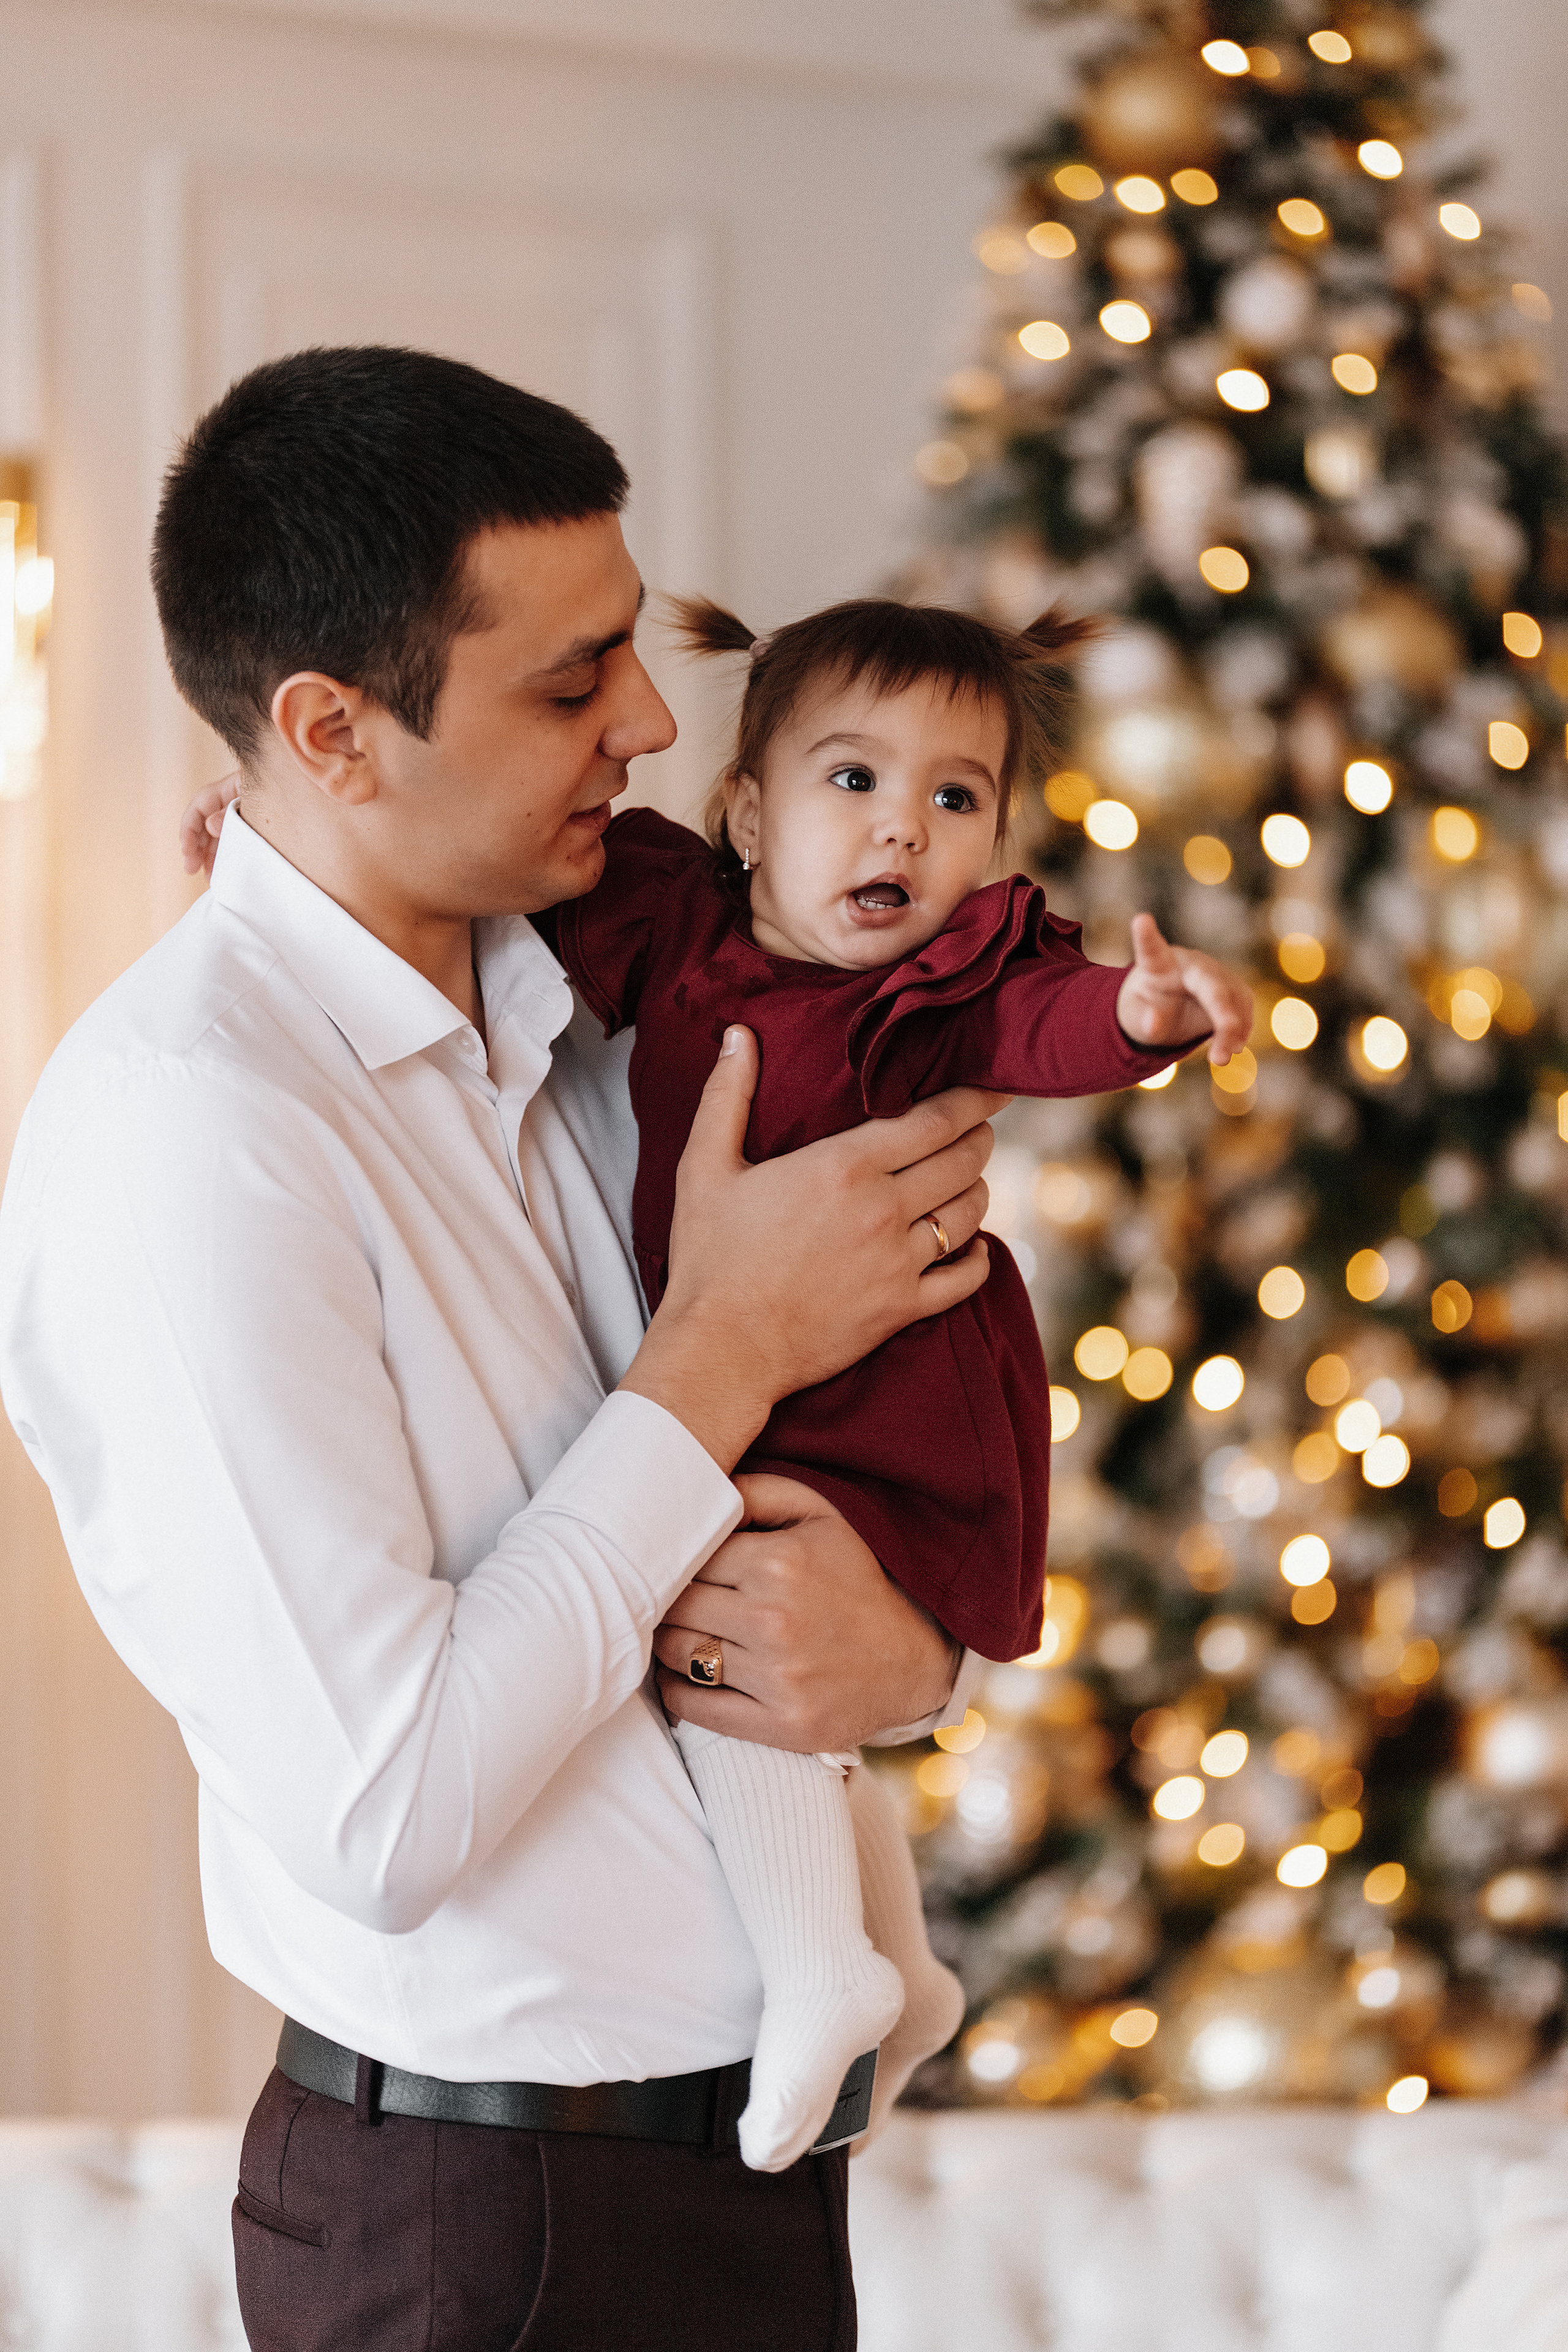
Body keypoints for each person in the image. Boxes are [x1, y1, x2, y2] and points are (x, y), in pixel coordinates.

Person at [0, 346, 1009, 2352]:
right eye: (568, 684)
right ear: (330, 730)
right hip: (490, 2229)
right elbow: (384, 1816)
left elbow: (811, 1488)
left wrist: (918, 1653)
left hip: (729, 2178)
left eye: (628, 652)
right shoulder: (187, 1135)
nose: (646, 722)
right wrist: (719, 1351)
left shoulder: (600, 1014)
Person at [541, 591, 1253, 2169]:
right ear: (746, 811)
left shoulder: (945, 992)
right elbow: (495, 905)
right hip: (757, 1363)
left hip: (886, 1392)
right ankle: (905, 1970)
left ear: (997, 844)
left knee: (733, 1625)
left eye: (955, 798)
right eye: (852, 781)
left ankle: (822, 1969)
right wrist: (274, 846)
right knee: (777, 1648)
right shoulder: (675, 924)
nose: (903, 832)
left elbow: (1052, 1021)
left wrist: (1140, 1014)